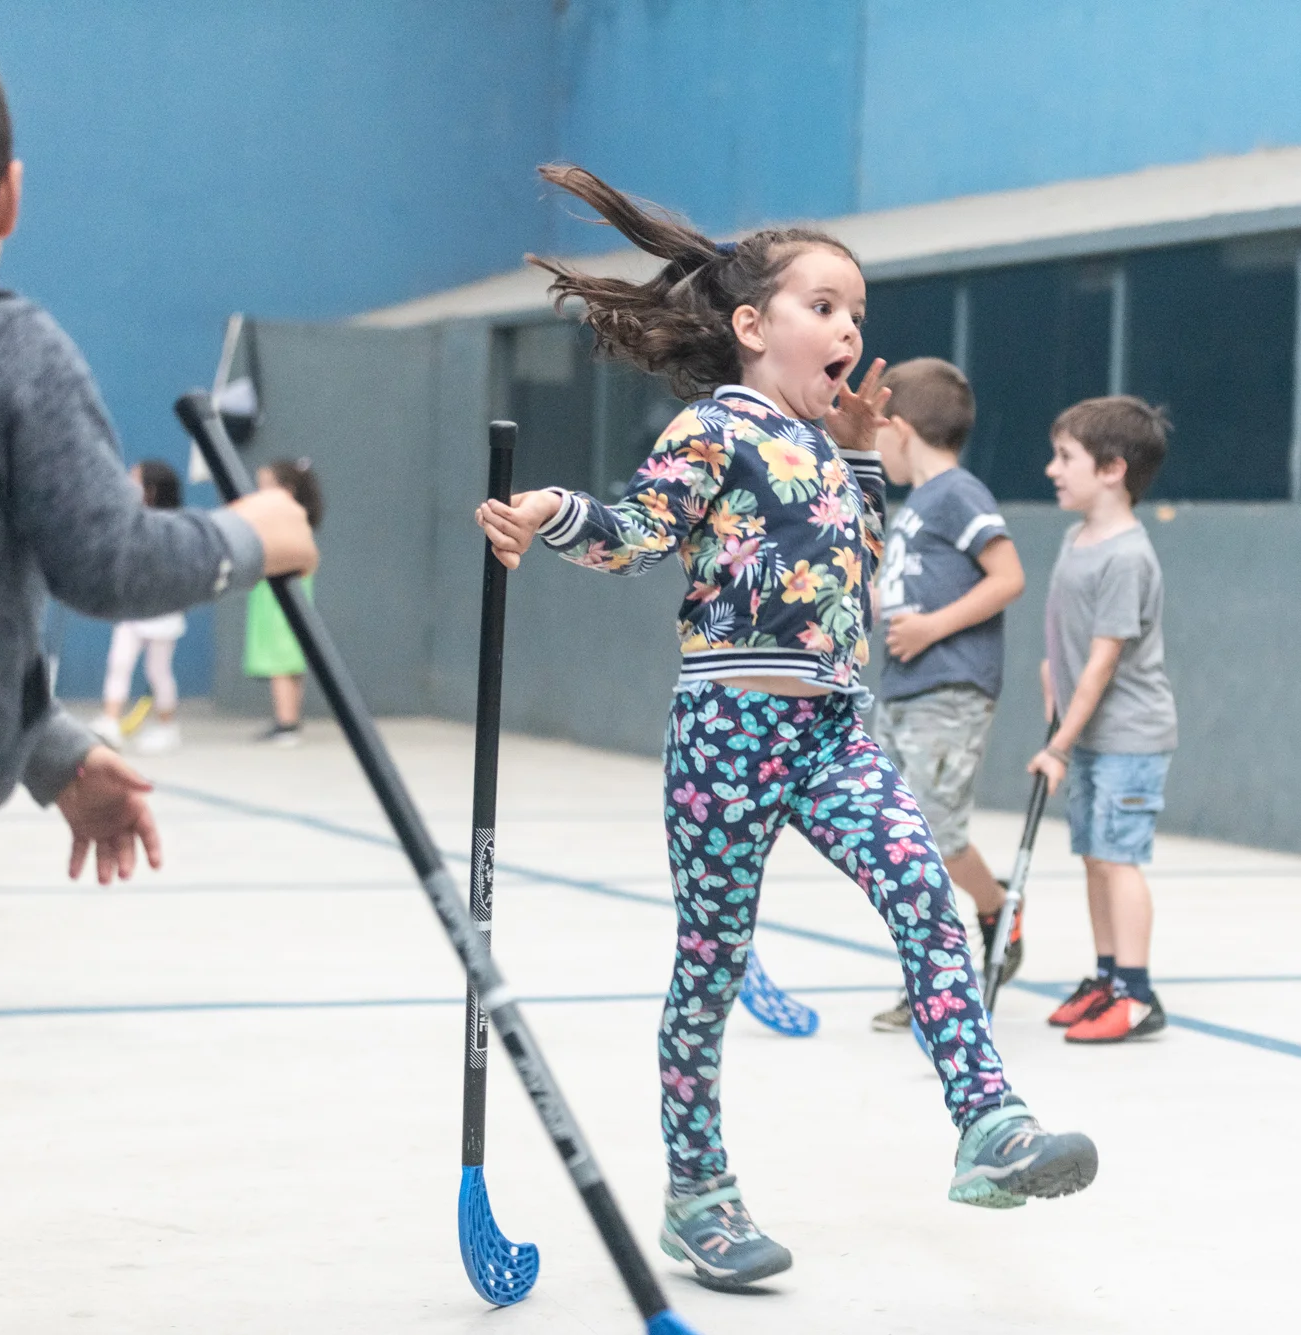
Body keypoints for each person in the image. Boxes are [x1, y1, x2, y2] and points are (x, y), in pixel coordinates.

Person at [475, 164, 1096, 1293]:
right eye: (825, 306)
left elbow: (854, 562)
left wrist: (854, 455)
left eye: (858, 311)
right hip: (728, 730)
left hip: (835, 730)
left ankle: (988, 1121)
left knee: (922, 890)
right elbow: (636, 534)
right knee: (710, 965)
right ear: (753, 327)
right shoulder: (713, 427)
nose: (851, 329)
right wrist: (551, 509)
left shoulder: (827, 446)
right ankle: (697, 1193)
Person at [0, 14, 317, 1335]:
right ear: (6, 196)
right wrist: (253, 535)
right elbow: (105, 558)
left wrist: (53, 752)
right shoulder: (2, 346)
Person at [865, 357, 1027, 1033]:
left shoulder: (958, 493)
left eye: (877, 432)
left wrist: (933, 626)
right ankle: (932, 967)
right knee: (897, 839)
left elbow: (1008, 576)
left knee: (933, 834)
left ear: (901, 429)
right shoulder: (916, 509)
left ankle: (994, 911)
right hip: (901, 690)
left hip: (948, 689)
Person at [1031, 396, 1178, 1044]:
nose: (1052, 469)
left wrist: (1058, 745)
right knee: (1095, 857)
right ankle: (1107, 976)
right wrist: (1051, 683)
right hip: (1089, 732)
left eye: (1066, 457)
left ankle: (1137, 995)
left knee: (1119, 859)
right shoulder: (1077, 540)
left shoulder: (1127, 557)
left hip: (1128, 736)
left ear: (1113, 469)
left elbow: (1102, 663)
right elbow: (1067, 638)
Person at [92, 460, 190, 755]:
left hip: (163, 612)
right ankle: (110, 721)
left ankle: (167, 727)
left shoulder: (174, 526)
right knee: (119, 662)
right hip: (131, 609)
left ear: (152, 489)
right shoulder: (127, 519)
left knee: (158, 671)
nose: (126, 482)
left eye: (134, 478)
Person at [243, 458, 323, 746]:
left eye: (267, 485)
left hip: (280, 600)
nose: (260, 492)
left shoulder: (284, 520)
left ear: (287, 489)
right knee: (287, 660)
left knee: (281, 660)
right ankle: (289, 719)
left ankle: (286, 723)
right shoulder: (294, 519)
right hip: (273, 597)